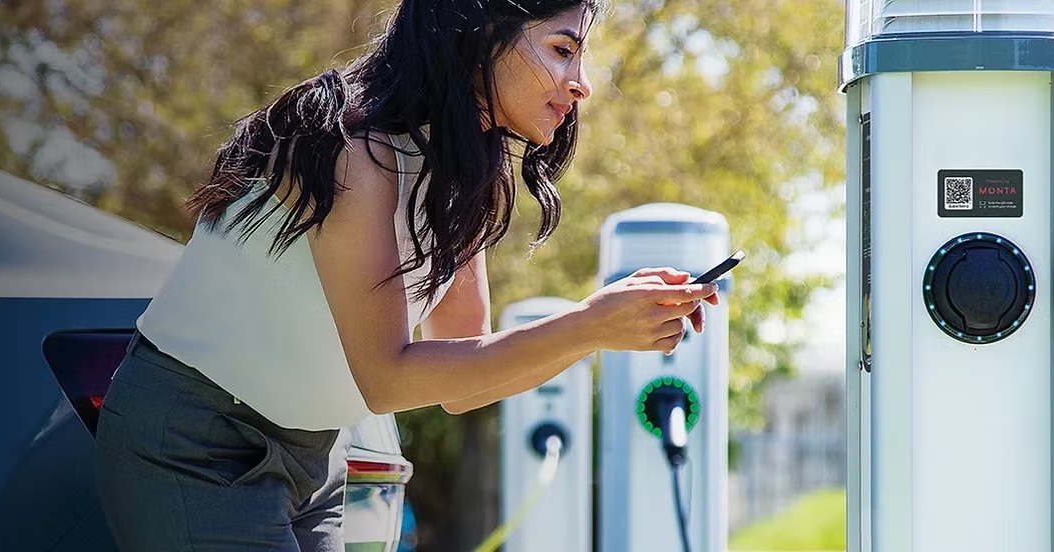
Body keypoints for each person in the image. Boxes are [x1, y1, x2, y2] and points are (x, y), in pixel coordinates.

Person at [92, 0, 718, 550]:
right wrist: (586, 326)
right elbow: (387, 377)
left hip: (313, 453)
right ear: (480, 31)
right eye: (562, 50)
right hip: (195, 441)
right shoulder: (351, 148)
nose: (583, 84)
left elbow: (463, 384)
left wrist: (602, 329)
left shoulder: (466, 176)